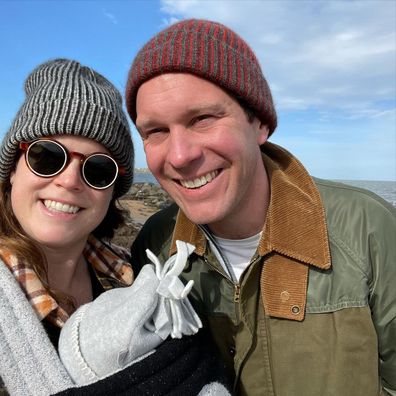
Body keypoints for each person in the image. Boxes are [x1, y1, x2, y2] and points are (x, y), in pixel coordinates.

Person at [126, 19, 396, 396]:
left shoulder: (368, 229)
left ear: (260, 124)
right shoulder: (155, 243)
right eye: (155, 131)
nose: (180, 155)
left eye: (202, 119)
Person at [0, 58, 231, 396]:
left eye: (97, 169)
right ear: (13, 170)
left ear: (112, 191)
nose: (68, 181)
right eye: (47, 156)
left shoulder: (135, 276)